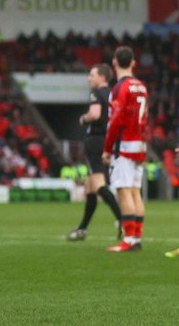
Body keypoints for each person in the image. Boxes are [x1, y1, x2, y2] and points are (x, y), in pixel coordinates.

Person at [67, 63, 122, 241]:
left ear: (102, 77)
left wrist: (83, 119)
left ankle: (124, 220)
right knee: (90, 188)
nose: (89, 78)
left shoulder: (96, 93)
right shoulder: (113, 94)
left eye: (92, 75)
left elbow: (95, 114)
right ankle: (82, 229)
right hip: (107, 140)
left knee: (98, 185)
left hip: (95, 141)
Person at [103, 46, 148, 252]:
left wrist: (107, 148)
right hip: (140, 142)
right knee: (136, 191)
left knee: (124, 191)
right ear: (133, 63)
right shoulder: (141, 86)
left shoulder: (120, 88)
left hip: (125, 144)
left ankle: (128, 239)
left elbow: (115, 120)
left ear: (114, 63)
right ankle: (136, 237)